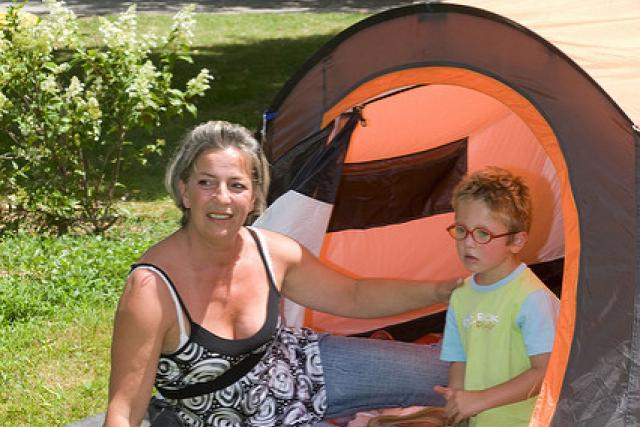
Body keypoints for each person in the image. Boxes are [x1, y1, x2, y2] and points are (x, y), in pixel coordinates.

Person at [103, 120, 461, 427]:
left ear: (255, 197)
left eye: (237, 185)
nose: (222, 198)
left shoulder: (271, 251)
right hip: (233, 417)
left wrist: (442, 291)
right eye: (206, 183)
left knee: (455, 375)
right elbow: (125, 409)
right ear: (184, 192)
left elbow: (354, 295)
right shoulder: (151, 289)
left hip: (306, 370)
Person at [434, 167, 560, 426]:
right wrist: (457, 402)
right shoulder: (460, 295)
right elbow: (459, 359)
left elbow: (546, 372)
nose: (468, 243)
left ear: (516, 241)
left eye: (483, 234)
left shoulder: (531, 298)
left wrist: (481, 399)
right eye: (461, 229)